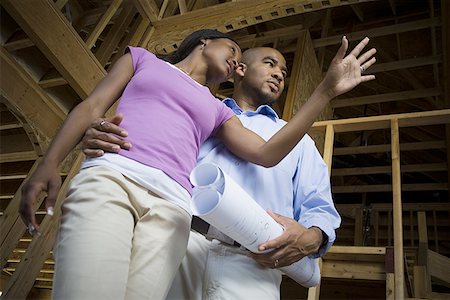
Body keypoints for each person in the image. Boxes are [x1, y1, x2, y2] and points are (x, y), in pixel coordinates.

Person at [80, 41, 376, 299]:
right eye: (270, 64)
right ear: (240, 69)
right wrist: (100, 134)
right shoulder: (197, 115)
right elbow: (154, 153)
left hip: (252, 262)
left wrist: (312, 238)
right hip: (177, 243)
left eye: (284, 73)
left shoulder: (300, 143)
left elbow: (319, 208)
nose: (278, 74)